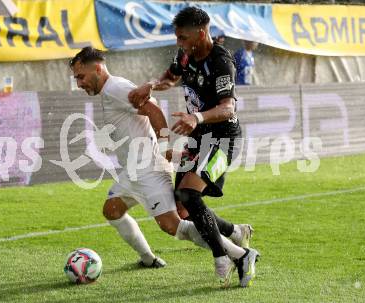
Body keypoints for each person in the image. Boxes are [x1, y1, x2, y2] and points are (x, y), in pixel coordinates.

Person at [69, 47, 251, 286]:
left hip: (149, 172)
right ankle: (148, 258)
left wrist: (164, 145)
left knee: (173, 226)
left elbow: (153, 110)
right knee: (112, 210)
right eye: (76, 78)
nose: (79, 83)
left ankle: (240, 255)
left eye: (81, 76)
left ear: (97, 69)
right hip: (132, 172)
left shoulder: (115, 88)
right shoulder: (110, 90)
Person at [128, 7, 259, 287]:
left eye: (182, 37)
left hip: (223, 138)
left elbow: (227, 108)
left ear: (201, 33)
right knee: (183, 207)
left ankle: (227, 255)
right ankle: (236, 232)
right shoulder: (185, 55)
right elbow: (170, 78)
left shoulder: (222, 61)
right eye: (177, 37)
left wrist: (196, 117)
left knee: (188, 194)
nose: (178, 42)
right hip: (199, 137)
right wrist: (151, 85)